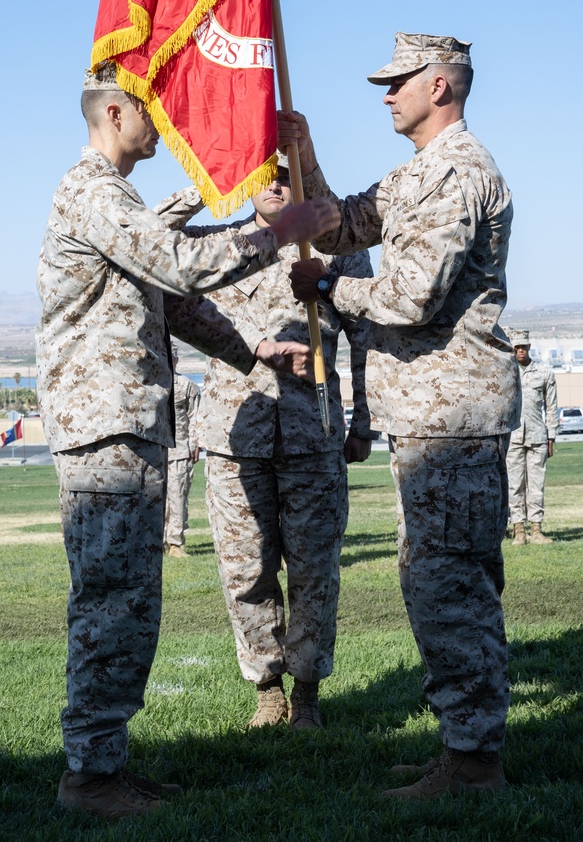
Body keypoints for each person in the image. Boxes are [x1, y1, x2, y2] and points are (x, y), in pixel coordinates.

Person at [36, 65, 337, 822]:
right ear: (113, 111)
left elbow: (170, 301)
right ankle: (89, 776)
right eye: (150, 112)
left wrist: (251, 353)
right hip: (104, 429)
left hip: (127, 425)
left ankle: (107, 764)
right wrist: (275, 235)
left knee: (130, 603)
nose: (164, 128)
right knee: (110, 603)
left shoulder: (119, 198)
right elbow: (178, 264)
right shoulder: (93, 192)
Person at [285, 32, 521, 798]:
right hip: (431, 418)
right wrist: (305, 154)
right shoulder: (422, 171)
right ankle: (462, 748)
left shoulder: (458, 173)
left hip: (451, 419)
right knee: (440, 581)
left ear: (441, 87)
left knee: (448, 588)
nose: (387, 94)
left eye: (399, 82)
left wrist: (326, 290)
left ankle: (472, 764)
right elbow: (345, 222)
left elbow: (409, 298)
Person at [165, 157, 376, 730]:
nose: (275, 184)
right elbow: (158, 246)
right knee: (244, 571)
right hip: (236, 436)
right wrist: (209, 183)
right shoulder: (220, 245)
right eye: (260, 174)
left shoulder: (336, 252)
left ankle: (306, 691)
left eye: (284, 175)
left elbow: (368, 340)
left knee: (314, 570)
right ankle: (266, 688)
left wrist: (364, 423)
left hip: (315, 435)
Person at [505, 332, 557, 544]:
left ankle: (536, 529)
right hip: (513, 437)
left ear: (529, 347)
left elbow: (552, 407)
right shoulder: (505, 372)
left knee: (536, 485)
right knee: (514, 485)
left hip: (537, 437)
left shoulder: (544, 372)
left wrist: (551, 436)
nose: (520, 350)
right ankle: (519, 530)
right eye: (517, 346)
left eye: (524, 346)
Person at [163, 363, 200, 557]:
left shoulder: (187, 385)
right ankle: (159, 542)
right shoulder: (151, 383)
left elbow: (195, 416)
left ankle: (176, 543)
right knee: (156, 499)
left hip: (179, 450)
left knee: (178, 499)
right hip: (156, 452)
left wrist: (195, 443)